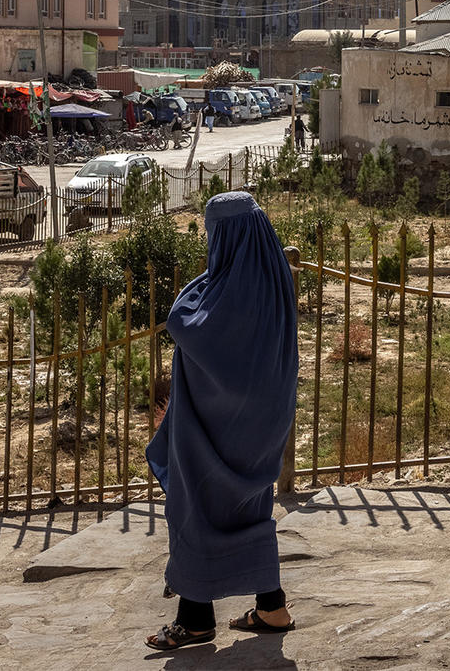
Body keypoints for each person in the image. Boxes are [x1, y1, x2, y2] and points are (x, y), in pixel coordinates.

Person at [145, 191, 299, 650]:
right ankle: (271, 606)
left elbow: (184, 324)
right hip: (265, 421)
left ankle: (194, 618)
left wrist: (194, 287)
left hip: (217, 427)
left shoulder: (219, 290)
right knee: (249, 505)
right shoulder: (272, 280)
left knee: (197, 505)